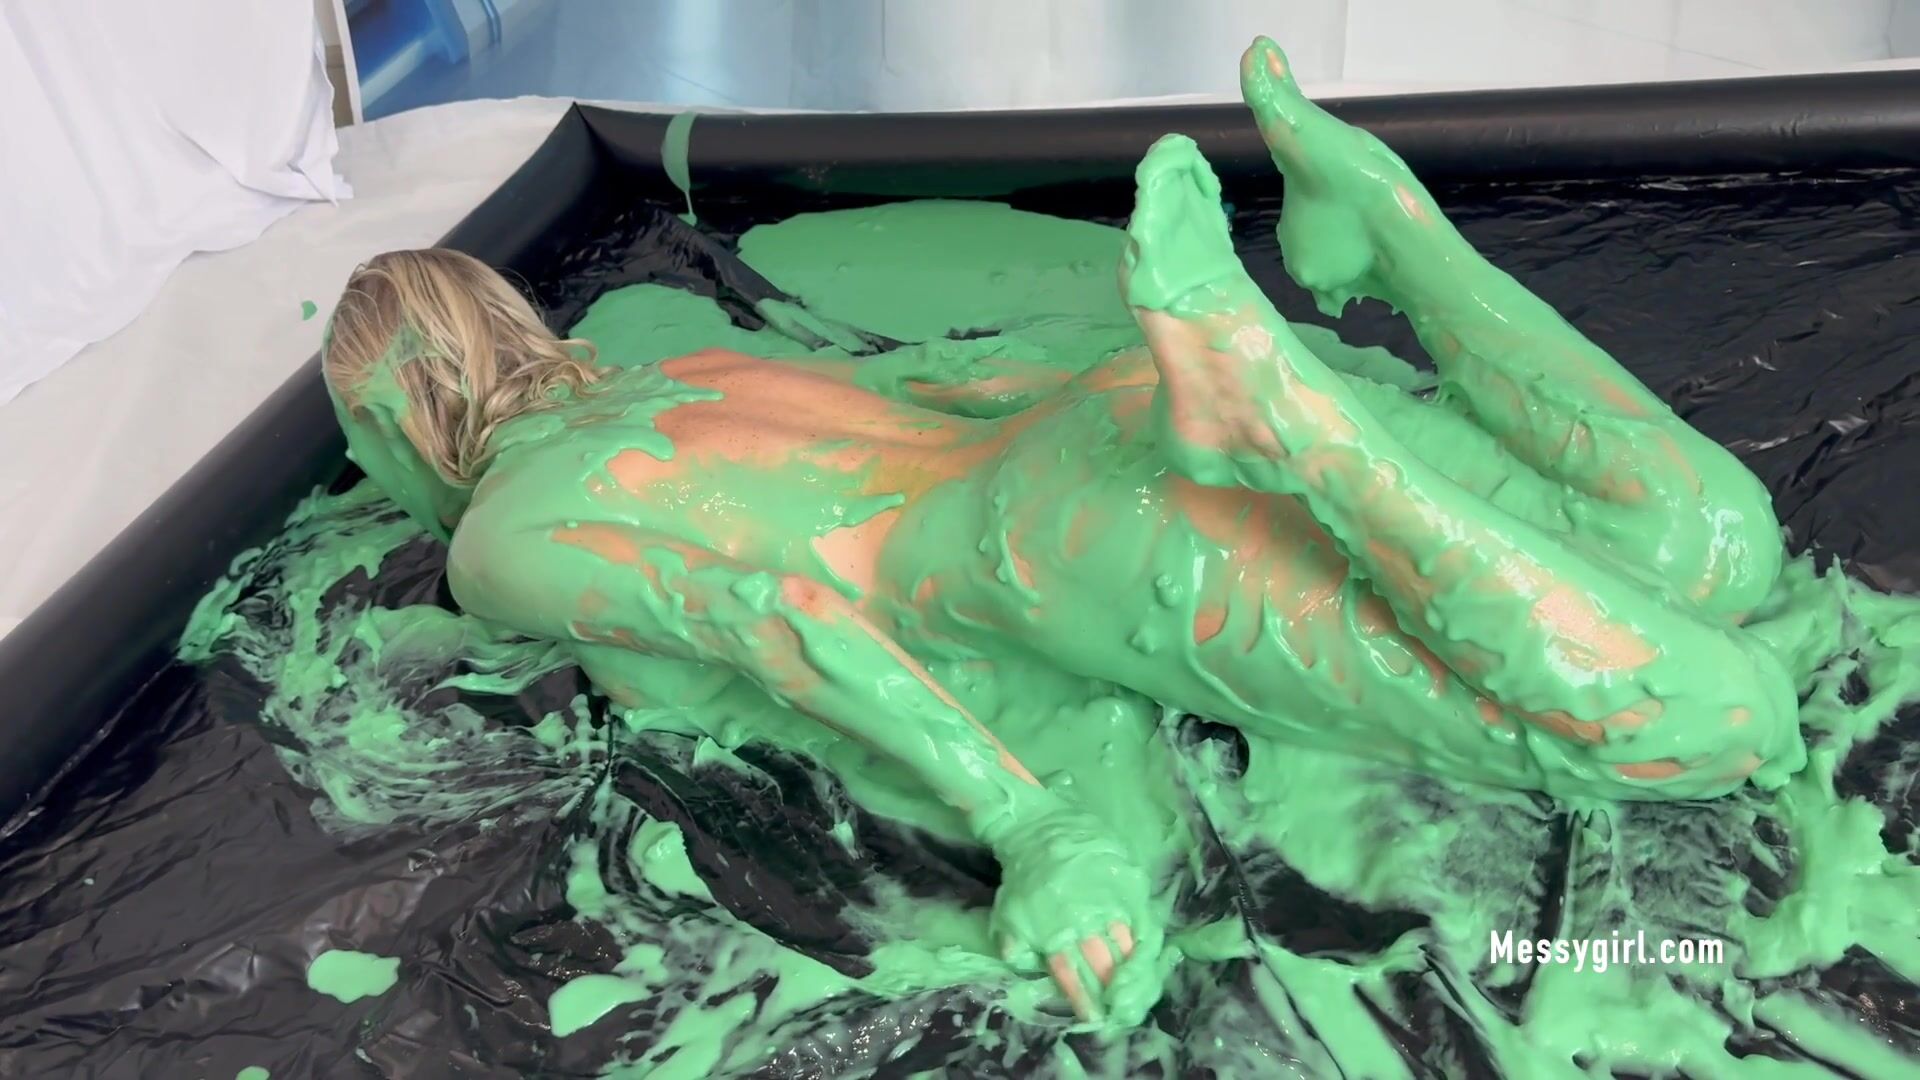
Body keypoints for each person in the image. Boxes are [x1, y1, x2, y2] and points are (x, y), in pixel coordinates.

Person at [320, 38, 1803, 1021]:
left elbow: (778, 618)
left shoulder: (505, 539)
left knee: (1707, 721)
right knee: (1714, 544)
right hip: (1105, 408)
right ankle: (1393, 232)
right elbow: (947, 378)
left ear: (394, 421)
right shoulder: (677, 372)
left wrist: (1032, 825)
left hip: (1078, 544)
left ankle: (1291, 426)